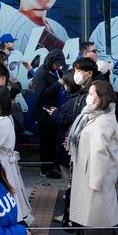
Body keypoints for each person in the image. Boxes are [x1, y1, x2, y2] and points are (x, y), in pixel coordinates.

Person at [0, 86, 44, 235]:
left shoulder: (0, 123)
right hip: (4, 168)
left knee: (12, 212)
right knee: (9, 211)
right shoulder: (2, 118)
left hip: (3, 170)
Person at [67, 81, 118, 235]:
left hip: (96, 174)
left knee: (103, 214)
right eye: (89, 93)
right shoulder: (94, 115)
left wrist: (96, 181)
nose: (89, 97)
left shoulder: (103, 121)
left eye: (93, 94)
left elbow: (100, 153)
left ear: (103, 98)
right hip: (87, 170)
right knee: (93, 212)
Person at [33, 50, 65, 179]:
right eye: (57, 64)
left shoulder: (55, 71)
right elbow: (41, 94)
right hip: (44, 115)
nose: (58, 67)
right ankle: (45, 169)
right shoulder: (41, 73)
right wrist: (58, 84)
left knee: (54, 141)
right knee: (46, 143)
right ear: (51, 61)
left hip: (54, 112)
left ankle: (54, 165)